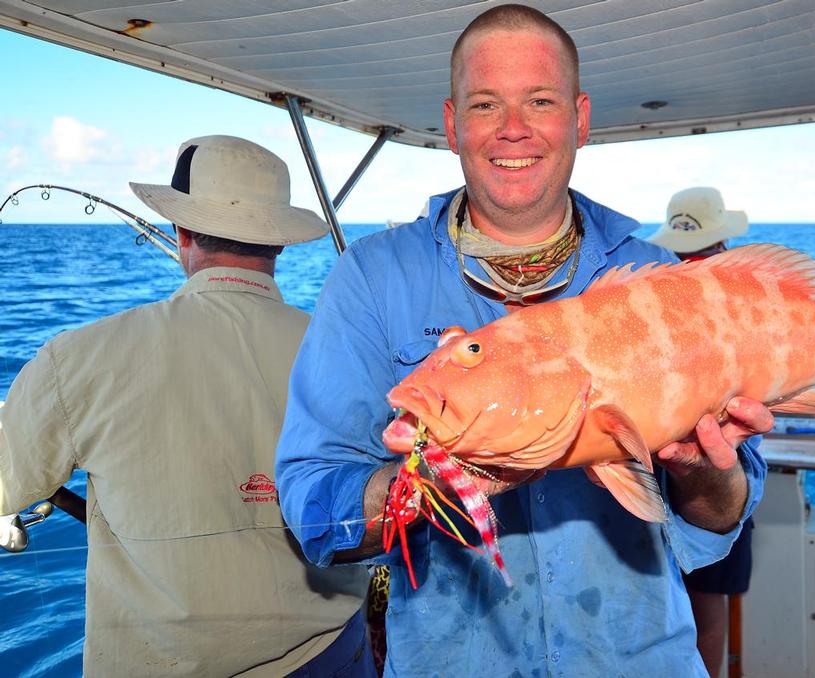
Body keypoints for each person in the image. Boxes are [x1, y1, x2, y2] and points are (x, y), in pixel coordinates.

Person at [276, 6, 770, 677]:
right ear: (452, 124)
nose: (513, 128)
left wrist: (702, 469)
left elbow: (719, 523)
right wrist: (427, 484)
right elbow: (311, 507)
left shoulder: (660, 280)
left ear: (580, 117)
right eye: (486, 104)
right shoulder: (372, 278)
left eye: (540, 100)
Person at [0, 135, 374, 677]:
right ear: (279, 243)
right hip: (334, 654)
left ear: (182, 233)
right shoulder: (347, 354)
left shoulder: (78, 357)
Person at [648, 186, 754, 678]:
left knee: (690, 596)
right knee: (707, 602)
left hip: (665, 467)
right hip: (709, 470)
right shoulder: (738, 288)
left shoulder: (658, 286)